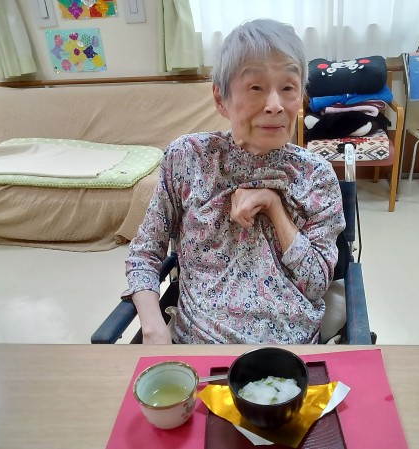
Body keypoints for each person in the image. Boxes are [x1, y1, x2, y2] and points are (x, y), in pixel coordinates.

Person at [122, 19, 345, 344]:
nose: (275, 105)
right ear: (220, 98)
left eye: (288, 88)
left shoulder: (315, 175)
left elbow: (316, 284)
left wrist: (273, 205)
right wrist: (154, 327)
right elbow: (145, 253)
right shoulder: (188, 158)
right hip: (201, 349)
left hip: (288, 355)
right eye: (256, 88)